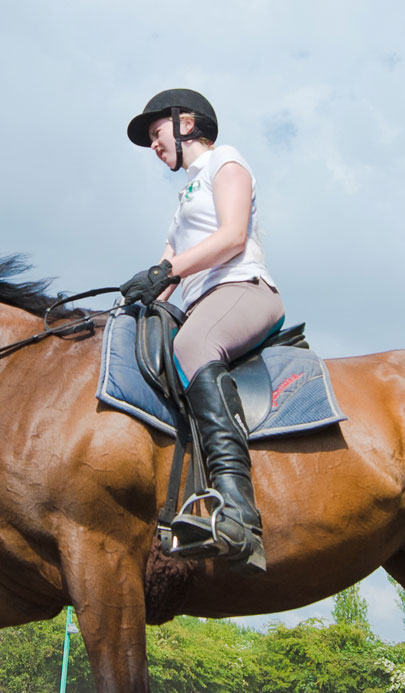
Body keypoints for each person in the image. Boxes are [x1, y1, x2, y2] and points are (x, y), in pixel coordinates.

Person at [121, 88, 283, 574]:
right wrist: (132, 307)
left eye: (156, 133)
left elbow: (232, 237)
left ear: (185, 123)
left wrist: (165, 274)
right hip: (200, 301)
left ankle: (237, 510)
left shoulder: (226, 163)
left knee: (192, 345)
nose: (154, 145)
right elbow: (167, 270)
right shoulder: (185, 195)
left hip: (243, 289)